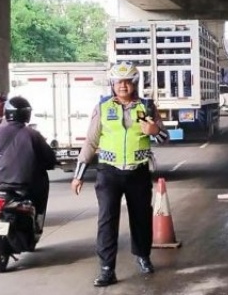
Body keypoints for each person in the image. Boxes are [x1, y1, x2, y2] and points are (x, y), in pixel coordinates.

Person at [71, 62, 169, 287]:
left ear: (135, 84)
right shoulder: (103, 108)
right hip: (108, 173)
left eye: (127, 82)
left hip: (138, 172)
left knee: (141, 218)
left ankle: (143, 257)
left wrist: (155, 131)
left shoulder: (145, 107)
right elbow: (91, 141)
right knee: (107, 220)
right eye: (118, 82)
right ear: (112, 84)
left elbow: (163, 137)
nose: (123, 86)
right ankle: (107, 269)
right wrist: (79, 175)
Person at [0, 96, 56, 232]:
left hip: (0, 183)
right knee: (43, 183)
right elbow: (50, 160)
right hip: (25, 186)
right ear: (26, 114)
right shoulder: (33, 135)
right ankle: (36, 219)